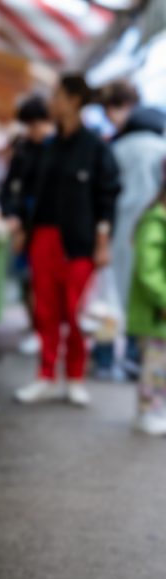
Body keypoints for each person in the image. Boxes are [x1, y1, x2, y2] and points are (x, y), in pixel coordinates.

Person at [15, 74, 121, 406]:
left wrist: (103, 242)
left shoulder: (97, 148)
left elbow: (107, 197)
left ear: (74, 99)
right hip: (43, 237)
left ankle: (75, 377)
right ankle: (46, 375)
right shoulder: (48, 147)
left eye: (57, 95)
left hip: (80, 243)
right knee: (45, 311)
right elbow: (28, 190)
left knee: (76, 313)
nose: (52, 102)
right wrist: (22, 228)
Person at [101, 80, 166, 378]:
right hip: (150, 227)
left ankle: (104, 362)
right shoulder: (161, 147)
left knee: (109, 297)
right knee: (141, 296)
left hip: (119, 231)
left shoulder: (117, 148)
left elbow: (106, 192)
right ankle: (135, 360)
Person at [0, 96, 53, 355]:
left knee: (39, 282)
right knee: (27, 281)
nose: (33, 131)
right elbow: (9, 188)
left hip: (43, 225)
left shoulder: (55, 150)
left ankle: (42, 331)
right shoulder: (24, 150)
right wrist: (12, 216)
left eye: (36, 124)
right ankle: (36, 326)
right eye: (29, 126)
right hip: (24, 222)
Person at [127, 184, 166, 435]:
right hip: (156, 312)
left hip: (158, 309)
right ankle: (149, 411)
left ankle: (153, 410)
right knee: (155, 366)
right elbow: (148, 270)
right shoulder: (155, 223)